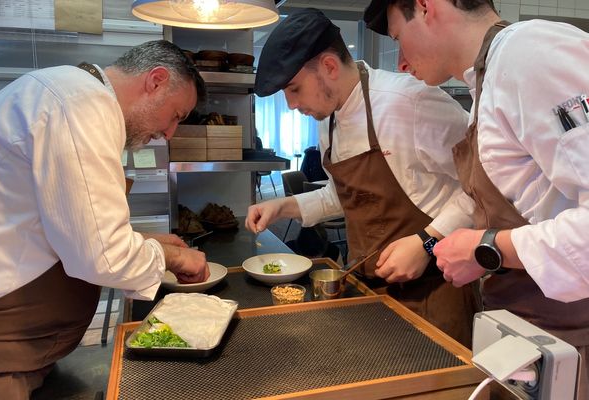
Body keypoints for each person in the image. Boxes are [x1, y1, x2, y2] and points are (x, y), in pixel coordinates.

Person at [363, 0, 589, 396]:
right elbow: (526, 206)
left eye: (399, 38)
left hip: (573, 343)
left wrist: (486, 249)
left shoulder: (531, 54)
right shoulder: (488, 79)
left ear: (425, 7)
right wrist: (474, 251)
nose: (400, 62)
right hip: (525, 331)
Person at [245, 8, 480, 347]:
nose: (292, 104)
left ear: (328, 66)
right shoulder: (330, 119)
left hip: (435, 293)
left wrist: (428, 244)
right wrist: (284, 207)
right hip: (370, 290)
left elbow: (482, 186)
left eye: (294, 89)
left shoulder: (409, 102)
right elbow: (341, 195)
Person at [0, 40, 210, 399]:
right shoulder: (81, 106)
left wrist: (146, 241)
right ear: (155, 81)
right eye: (176, 116)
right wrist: (173, 257)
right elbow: (101, 254)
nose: (170, 133)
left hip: (23, 353)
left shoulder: (68, 92)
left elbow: (66, 224)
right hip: (1, 355)